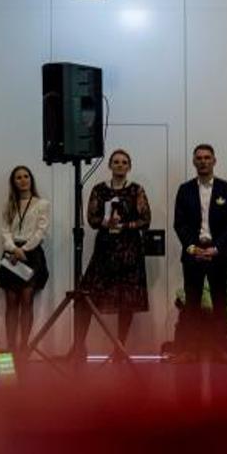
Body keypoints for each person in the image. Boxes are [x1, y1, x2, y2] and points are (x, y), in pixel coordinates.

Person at [69, 149, 151, 362]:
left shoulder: (137, 190)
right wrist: (106, 223)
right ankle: (78, 346)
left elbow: (145, 220)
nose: (120, 165)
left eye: (124, 162)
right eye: (116, 162)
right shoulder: (99, 189)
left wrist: (125, 225)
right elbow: (91, 219)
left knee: (126, 301)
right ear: (110, 165)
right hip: (105, 250)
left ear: (129, 166)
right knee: (85, 297)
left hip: (129, 250)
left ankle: (119, 348)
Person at [172, 144, 227, 363]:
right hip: (193, 252)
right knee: (192, 303)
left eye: (207, 157)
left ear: (214, 161)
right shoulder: (184, 189)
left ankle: (221, 350)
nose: (203, 161)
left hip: (219, 253)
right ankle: (190, 350)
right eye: (199, 158)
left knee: (220, 301)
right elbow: (179, 223)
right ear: (194, 162)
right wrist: (192, 248)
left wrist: (216, 247)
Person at [0, 165, 51, 356]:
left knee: (27, 300)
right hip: (11, 254)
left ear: (31, 179)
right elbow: (4, 230)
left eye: (26, 176)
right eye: (18, 177)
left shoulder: (42, 204)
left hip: (31, 253)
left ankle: (24, 348)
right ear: (13, 182)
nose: (23, 180)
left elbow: (41, 231)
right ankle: (11, 346)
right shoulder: (9, 205)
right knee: (11, 302)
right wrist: (14, 249)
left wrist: (24, 249)